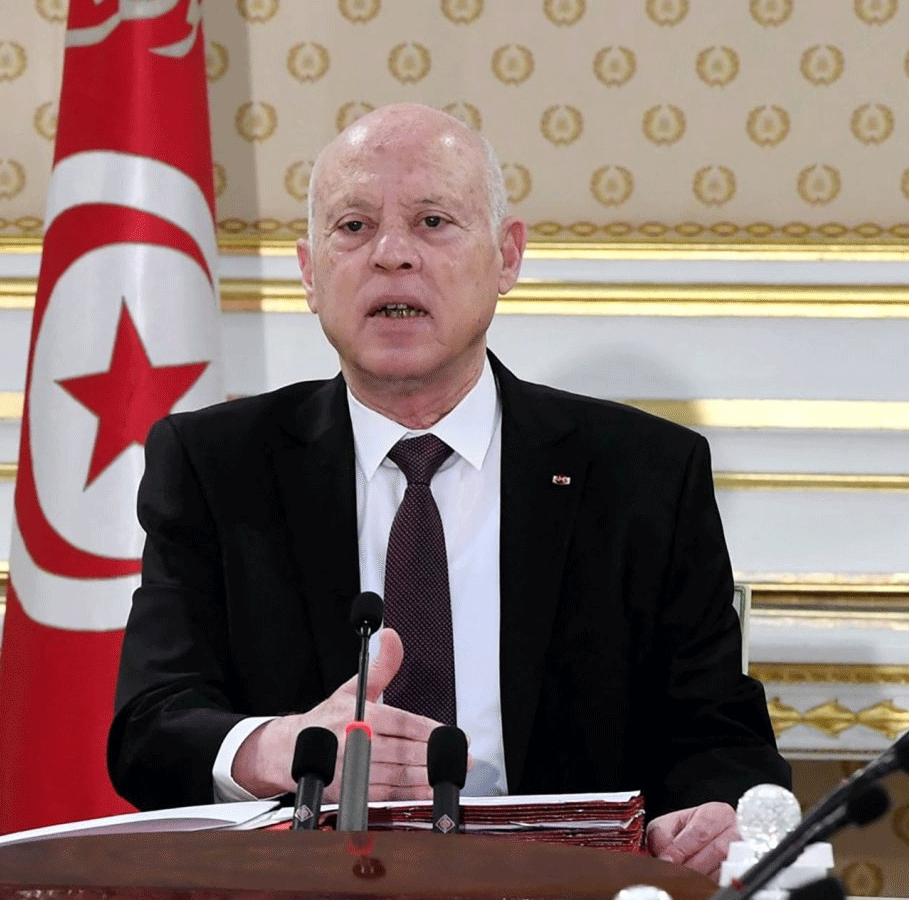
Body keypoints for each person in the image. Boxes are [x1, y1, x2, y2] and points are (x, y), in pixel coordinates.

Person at [108, 102, 789, 875]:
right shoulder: (217, 466)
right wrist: (283, 747)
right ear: (309, 272)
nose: (392, 255)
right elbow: (150, 729)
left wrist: (713, 816)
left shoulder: (643, 474)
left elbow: (722, 741)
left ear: (507, 256)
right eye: (354, 226)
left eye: (432, 222)